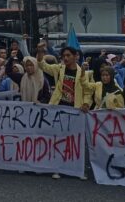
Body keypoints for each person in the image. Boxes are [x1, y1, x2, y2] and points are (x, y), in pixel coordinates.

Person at [36, 46, 90, 180]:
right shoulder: (58, 69)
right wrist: (40, 51)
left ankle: (78, 169)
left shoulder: (84, 72)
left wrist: (86, 103)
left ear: (75, 56)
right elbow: (41, 64)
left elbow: (88, 91)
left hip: (76, 110)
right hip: (59, 108)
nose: (65, 58)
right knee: (58, 139)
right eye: (63, 56)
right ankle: (57, 167)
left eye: (68, 55)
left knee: (77, 140)